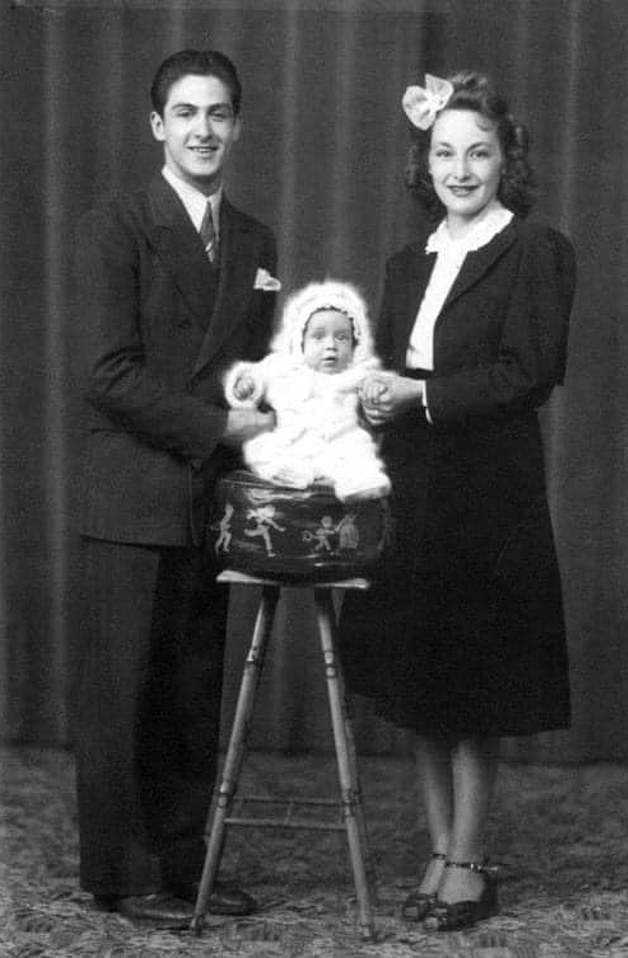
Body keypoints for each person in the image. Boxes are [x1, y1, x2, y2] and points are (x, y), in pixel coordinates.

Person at [340, 71, 575, 931]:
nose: (461, 168)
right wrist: (375, 395)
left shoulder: (535, 249)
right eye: (445, 153)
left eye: (479, 152)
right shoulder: (410, 261)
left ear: (507, 160)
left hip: (488, 496)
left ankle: (472, 860)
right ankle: (441, 849)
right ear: (425, 162)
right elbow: (397, 374)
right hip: (416, 488)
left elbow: (528, 372)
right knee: (421, 679)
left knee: (473, 684)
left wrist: (417, 397)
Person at [73, 49, 279, 929]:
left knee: (193, 692)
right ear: (158, 126)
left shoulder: (257, 240)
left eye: (220, 113)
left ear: (237, 126)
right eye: (187, 113)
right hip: (132, 492)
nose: (204, 130)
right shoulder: (116, 224)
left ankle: (185, 865)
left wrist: (284, 403)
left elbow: (247, 373)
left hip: (210, 499)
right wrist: (218, 429)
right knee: (125, 698)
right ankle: (122, 875)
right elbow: (106, 375)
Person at [224, 279, 391, 501]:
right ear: (299, 341)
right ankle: (285, 473)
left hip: (337, 441)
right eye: (319, 336)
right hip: (290, 440)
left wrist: (376, 389)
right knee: (260, 448)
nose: (331, 345)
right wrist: (245, 386)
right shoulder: (281, 366)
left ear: (356, 344)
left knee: (359, 450)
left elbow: (379, 387)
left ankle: (360, 483)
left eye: (342, 337)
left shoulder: (357, 373)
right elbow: (254, 377)